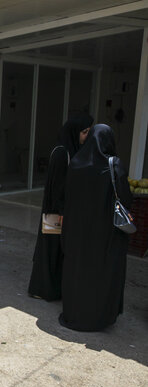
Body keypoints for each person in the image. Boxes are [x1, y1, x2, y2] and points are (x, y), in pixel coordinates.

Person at [59, 124, 133, 331]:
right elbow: (125, 198)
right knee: (102, 273)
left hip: (76, 232)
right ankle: (99, 317)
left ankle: (74, 314)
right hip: (105, 234)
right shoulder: (113, 165)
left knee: (77, 270)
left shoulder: (75, 163)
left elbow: (67, 197)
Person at [28, 114, 93, 301]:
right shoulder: (60, 152)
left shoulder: (72, 150)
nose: (86, 136)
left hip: (61, 211)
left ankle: (54, 288)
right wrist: (64, 212)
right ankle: (42, 289)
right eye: (84, 132)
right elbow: (57, 188)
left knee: (59, 252)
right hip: (55, 213)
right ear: (74, 132)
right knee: (50, 250)